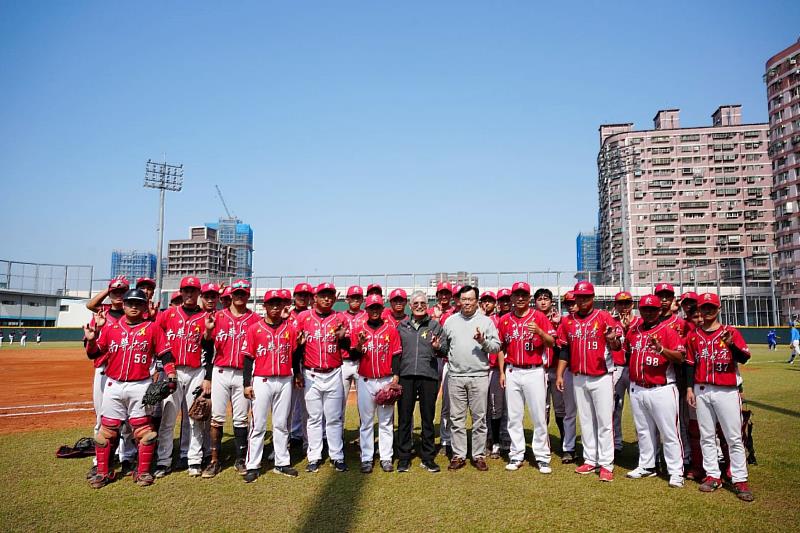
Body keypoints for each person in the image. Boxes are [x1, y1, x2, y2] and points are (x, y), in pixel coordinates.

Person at [83, 288, 177, 488]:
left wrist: (171, 374)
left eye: (138, 303)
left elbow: (165, 354)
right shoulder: (111, 328)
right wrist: (91, 340)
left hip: (140, 385)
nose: (134, 306)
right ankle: (103, 472)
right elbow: (94, 354)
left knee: (145, 432)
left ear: (144, 306)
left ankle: (142, 472)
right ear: (123, 305)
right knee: (105, 432)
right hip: (113, 384)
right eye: (130, 303)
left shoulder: (152, 328)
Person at [686, 293, 754, 502]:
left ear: (719, 308)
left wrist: (732, 344)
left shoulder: (730, 331)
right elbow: (690, 364)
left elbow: (744, 358)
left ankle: (740, 479)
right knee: (707, 436)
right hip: (702, 389)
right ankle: (713, 475)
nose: (707, 311)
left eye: (711, 307)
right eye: (704, 307)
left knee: (733, 436)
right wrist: (689, 388)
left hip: (726, 390)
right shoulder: (694, 335)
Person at [556, 281, 622, 482]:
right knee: (585, 421)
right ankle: (590, 459)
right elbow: (564, 350)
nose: (582, 300)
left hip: (601, 376)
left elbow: (618, 346)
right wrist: (560, 374)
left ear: (593, 297)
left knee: (604, 422)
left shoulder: (604, 317)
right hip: (578, 376)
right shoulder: (568, 321)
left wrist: (612, 339)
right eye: (579, 297)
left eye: (586, 296)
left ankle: (606, 463)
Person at [624, 295, 686, 488]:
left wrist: (661, 350)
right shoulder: (634, 331)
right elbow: (625, 351)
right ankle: (647, 465)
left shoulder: (668, 332)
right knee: (643, 431)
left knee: (669, 433)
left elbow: (680, 357)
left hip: (663, 388)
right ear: (640, 310)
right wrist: (613, 342)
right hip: (638, 388)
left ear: (660, 311)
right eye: (645, 309)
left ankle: (676, 472)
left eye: (653, 309)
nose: (648, 312)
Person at [241, 290, 301, 482]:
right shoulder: (254, 329)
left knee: (282, 424)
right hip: (262, 380)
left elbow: (295, 355)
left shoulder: (289, 329)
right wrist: (246, 384)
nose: (275, 307)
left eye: (278, 303)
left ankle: (282, 463)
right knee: (257, 425)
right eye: (271, 303)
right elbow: (248, 358)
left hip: (284, 379)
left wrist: (297, 373)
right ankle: (252, 465)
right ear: (264, 306)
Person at [154, 276, 211, 478]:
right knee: (168, 418)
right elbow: (155, 334)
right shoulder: (168, 314)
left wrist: (208, 377)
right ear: (181, 292)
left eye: (193, 291)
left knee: (195, 417)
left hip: (196, 372)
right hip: (173, 371)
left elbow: (210, 346)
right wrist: (159, 366)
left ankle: (193, 459)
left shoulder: (205, 317)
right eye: (186, 290)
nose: (189, 294)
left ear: (198, 294)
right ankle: (163, 461)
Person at [497, 282, 556, 473]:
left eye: (524, 295)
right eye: (517, 295)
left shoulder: (538, 316)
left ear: (529, 298)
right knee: (514, 416)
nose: (520, 298)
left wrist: (539, 331)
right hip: (512, 370)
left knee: (539, 415)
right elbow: (500, 347)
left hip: (534, 370)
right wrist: (501, 372)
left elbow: (552, 341)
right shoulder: (505, 319)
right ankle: (516, 454)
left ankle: (542, 456)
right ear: (512, 298)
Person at [293, 282, 350, 473]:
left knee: (334, 418)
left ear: (334, 298)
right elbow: (296, 348)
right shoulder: (303, 317)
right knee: (314, 418)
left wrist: (345, 338)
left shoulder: (339, 317)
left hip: (334, 372)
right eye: (323, 295)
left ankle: (337, 455)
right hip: (311, 373)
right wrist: (298, 372)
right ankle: (314, 456)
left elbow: (349, 349)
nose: (327, 298)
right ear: (315, 298)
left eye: (330, 295)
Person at [203, 279, 258, 478]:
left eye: (243, 293)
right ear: (231, 296)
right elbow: (207, 346)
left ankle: (240, 458)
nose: (239, 297)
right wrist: (208, 376)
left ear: (248, 296)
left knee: (241, 418)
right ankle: (214, 461)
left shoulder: (255, 320)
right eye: (237, 293)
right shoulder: (218, 317)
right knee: (217, 417)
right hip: (220, 372)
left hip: (243, 374)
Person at [442, 285, 500, 471]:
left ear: (477, 301)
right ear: (459, 300)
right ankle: (458, 455)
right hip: (456, 376)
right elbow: (445, 346)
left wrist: (482, 341)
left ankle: (478, 454)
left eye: (470, 299)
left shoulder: (486, 322)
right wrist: (437, 346)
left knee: (479, 419)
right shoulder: (450, 321)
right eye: (464, 299)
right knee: (456, 418)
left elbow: (496, 347)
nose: (467, 302)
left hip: (479, 376)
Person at [84, 276, 137, 479]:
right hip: (103, 369)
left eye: (122, 291)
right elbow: (91, 305)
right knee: (102, 418)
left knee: (128, 420)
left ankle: (127, 457)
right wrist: (109, 289)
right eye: (115, 292)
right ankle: (100, 461)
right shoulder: (101, 313)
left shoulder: (133, 315)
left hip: (127, 371)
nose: (118, 295)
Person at [349, 295, 403, 473]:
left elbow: (396, 355)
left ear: (382, 309)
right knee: (366, 422)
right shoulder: (359, 329)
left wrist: (395, 379)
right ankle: (366, 458)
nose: (374, 311)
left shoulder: (390, 329)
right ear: (366, 309)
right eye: (371, 307)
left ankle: (386, 457)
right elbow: (354, 356)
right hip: (365, 380)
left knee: (386, 422)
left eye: (377, 307)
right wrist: (359, 345)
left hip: (386, 380)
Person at [396, 291, 448, 473]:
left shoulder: (435, 326)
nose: (419, 306)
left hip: (428, 376)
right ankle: (403, 457)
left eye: (423, 303)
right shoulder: (401, 326)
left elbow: (446, 349)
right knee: (404, 418)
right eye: (416, 303)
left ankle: (427, 457)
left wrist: (437, 346)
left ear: (428, 306)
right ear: (410, 306)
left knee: (427, 418)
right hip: (406, 375)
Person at [610, 291, 641, 454]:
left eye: (627, 303)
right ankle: (616, 444)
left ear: (632, 305)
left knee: (640, 409)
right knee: (615, 407)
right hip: (616, 368)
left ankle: (643, 444)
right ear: (615, 306)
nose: (624, 307)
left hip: (636, 369)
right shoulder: (611, 322)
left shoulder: (640, 322)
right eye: (620, 303)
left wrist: (628, 328)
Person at [288, 282, 314, 446]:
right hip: (289, 365)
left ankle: (307, 441)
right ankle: (287, 440)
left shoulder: (314, 316)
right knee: (288, 406)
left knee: (308, 406)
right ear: (294, 297)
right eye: (300, 295)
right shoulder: (287, 316)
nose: (303, 298)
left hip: (308, 364)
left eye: (306, 295)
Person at [479, 290, 503, 457]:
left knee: (495, 407)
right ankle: (484, 441)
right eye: (484, 300)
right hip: (479, 368)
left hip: (494, 368)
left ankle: (496, 441)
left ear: (495, 303)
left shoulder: (499, 320)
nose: (487, 303)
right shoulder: (477, 319)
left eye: (490, 301)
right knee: (481, 408)